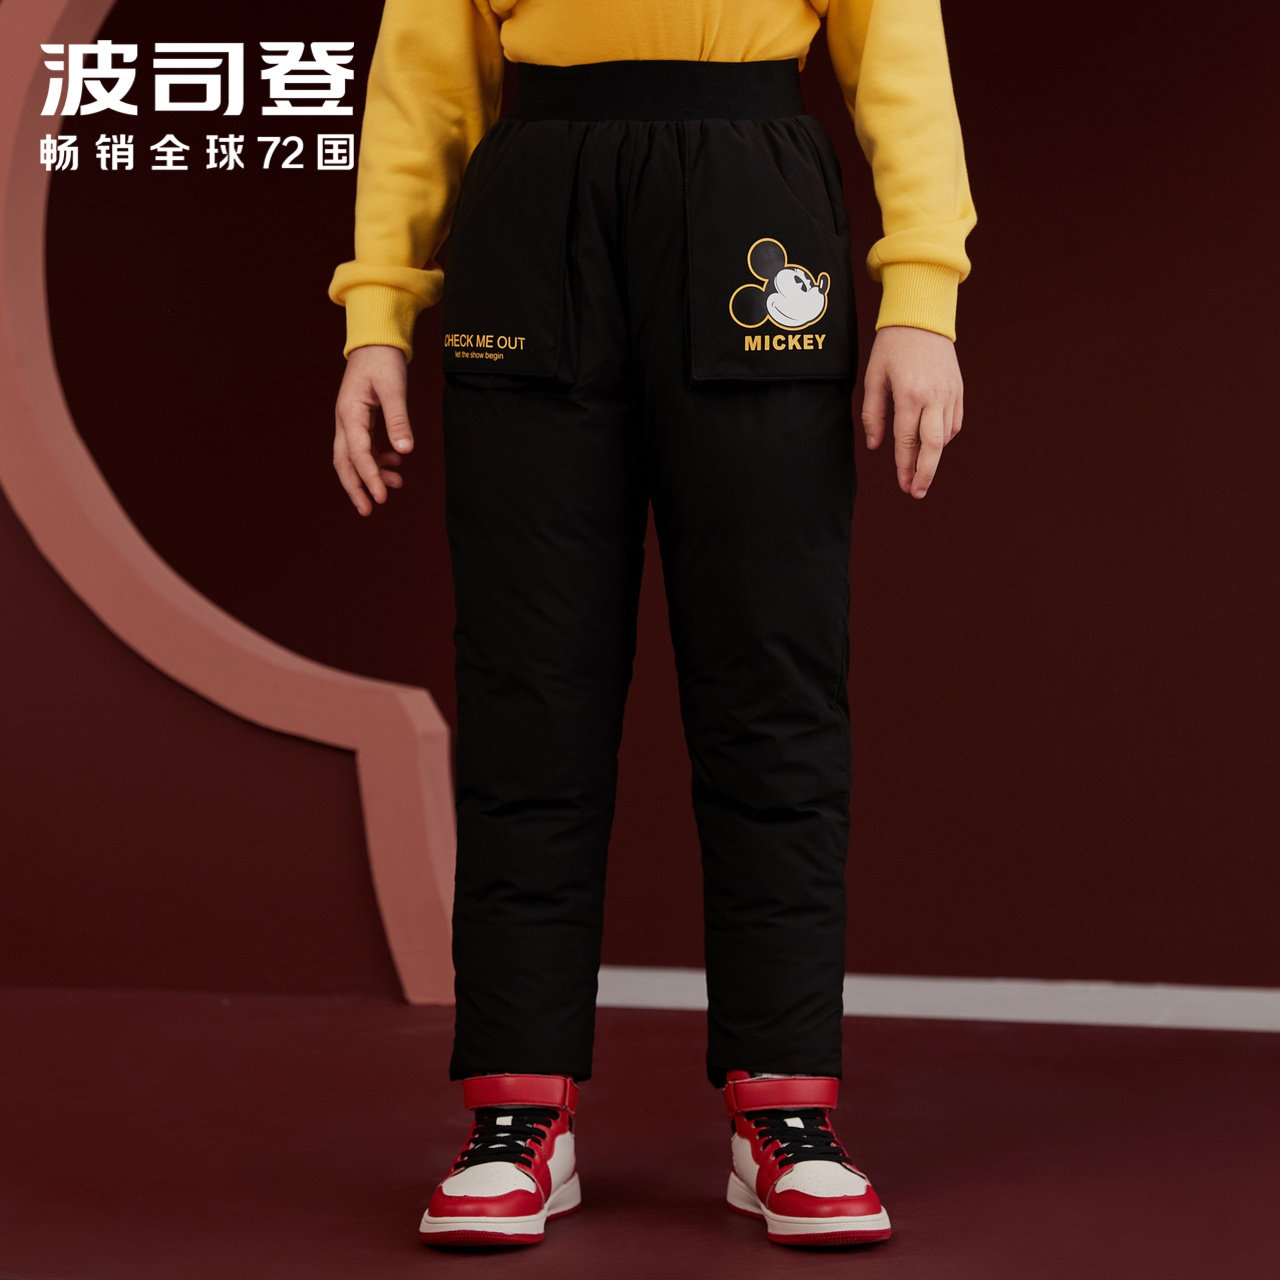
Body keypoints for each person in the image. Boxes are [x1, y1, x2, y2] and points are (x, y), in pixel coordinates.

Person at [327, 0, 975, 1251]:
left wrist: (918, 299)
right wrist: (376, 319)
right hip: (531, 225)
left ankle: (786, 1111)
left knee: (772, 686)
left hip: (755, 211)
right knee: (526, 694)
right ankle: (515, 1113)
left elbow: (899, 58)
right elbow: (421, 89)